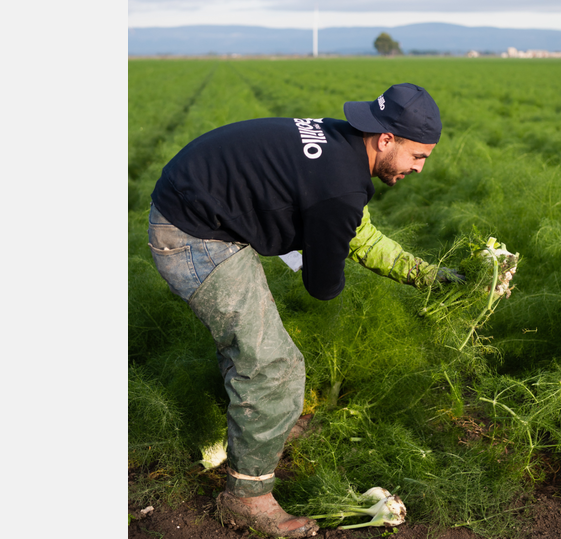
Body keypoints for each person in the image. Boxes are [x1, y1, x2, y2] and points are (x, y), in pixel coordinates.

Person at [147, 83, 458, 537]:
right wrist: (323, 252)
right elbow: (322, 287)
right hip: (192, 237)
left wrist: (427, 274)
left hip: (196, 208)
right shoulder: (339, 188)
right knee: (274, 366)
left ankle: (264, 430)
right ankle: (246, 499)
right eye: (418, 156)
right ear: (386, 139)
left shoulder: (340, 143)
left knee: (256, 350)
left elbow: (359, 233)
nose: (419, 168)